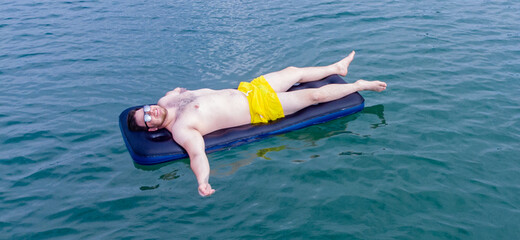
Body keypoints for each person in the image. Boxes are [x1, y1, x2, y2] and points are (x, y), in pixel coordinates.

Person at [126, 51, 386, 196]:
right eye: (147, 117)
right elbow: (197, 154)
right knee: (314, 96)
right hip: (257, 108)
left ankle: (337, 68)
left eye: (146, 109)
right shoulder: (182, 129)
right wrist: (202, 181)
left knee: (293, 71)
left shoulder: (166, 99)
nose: (151, 111)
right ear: (152, 129)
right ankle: (360, 85)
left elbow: (178, 89)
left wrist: (176, 91)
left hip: (249, 90)